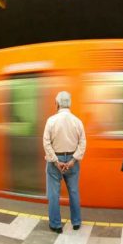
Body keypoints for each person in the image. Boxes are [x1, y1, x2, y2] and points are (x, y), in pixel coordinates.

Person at [43, 91, 86, 233]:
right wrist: (74, 160)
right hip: (73, 161)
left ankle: (56, 225)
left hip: (55, 160)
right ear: (70, 103)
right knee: (74, 191)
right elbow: (83, 143)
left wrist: (56, 161)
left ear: (57, 104)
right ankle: (76, 222)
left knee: (54, 193)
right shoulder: (77, 121)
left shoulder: (51, 121)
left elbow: (46, 143)